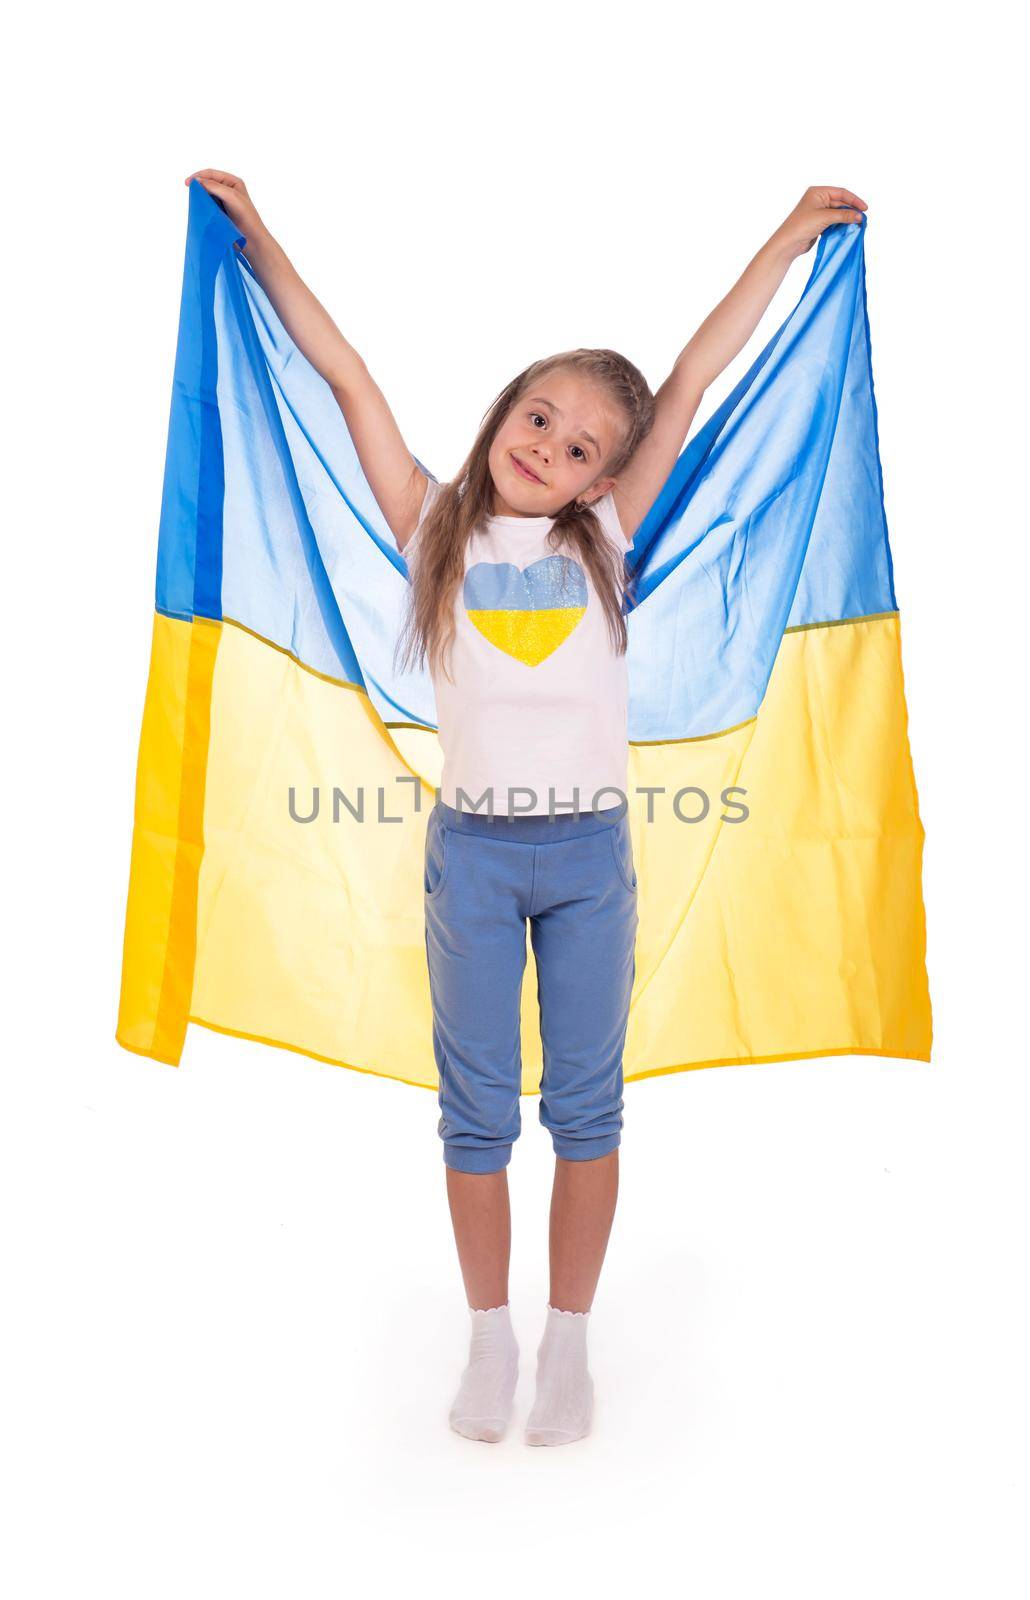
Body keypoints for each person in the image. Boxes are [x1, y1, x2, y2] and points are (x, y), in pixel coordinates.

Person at [184, 169, 868, 1447]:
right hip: (477, 864)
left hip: (590, 862)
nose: (548, 448)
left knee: (589, 1108)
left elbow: (694, 377)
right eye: (540, 417)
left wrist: (784, 240)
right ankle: (489, 1334)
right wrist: (262, 239)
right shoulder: (435, 526)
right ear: (508, 406)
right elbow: (350, 382)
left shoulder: (604, 535)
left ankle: (570, 1342)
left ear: (600, 476)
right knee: (477, 1107)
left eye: (578, 449)